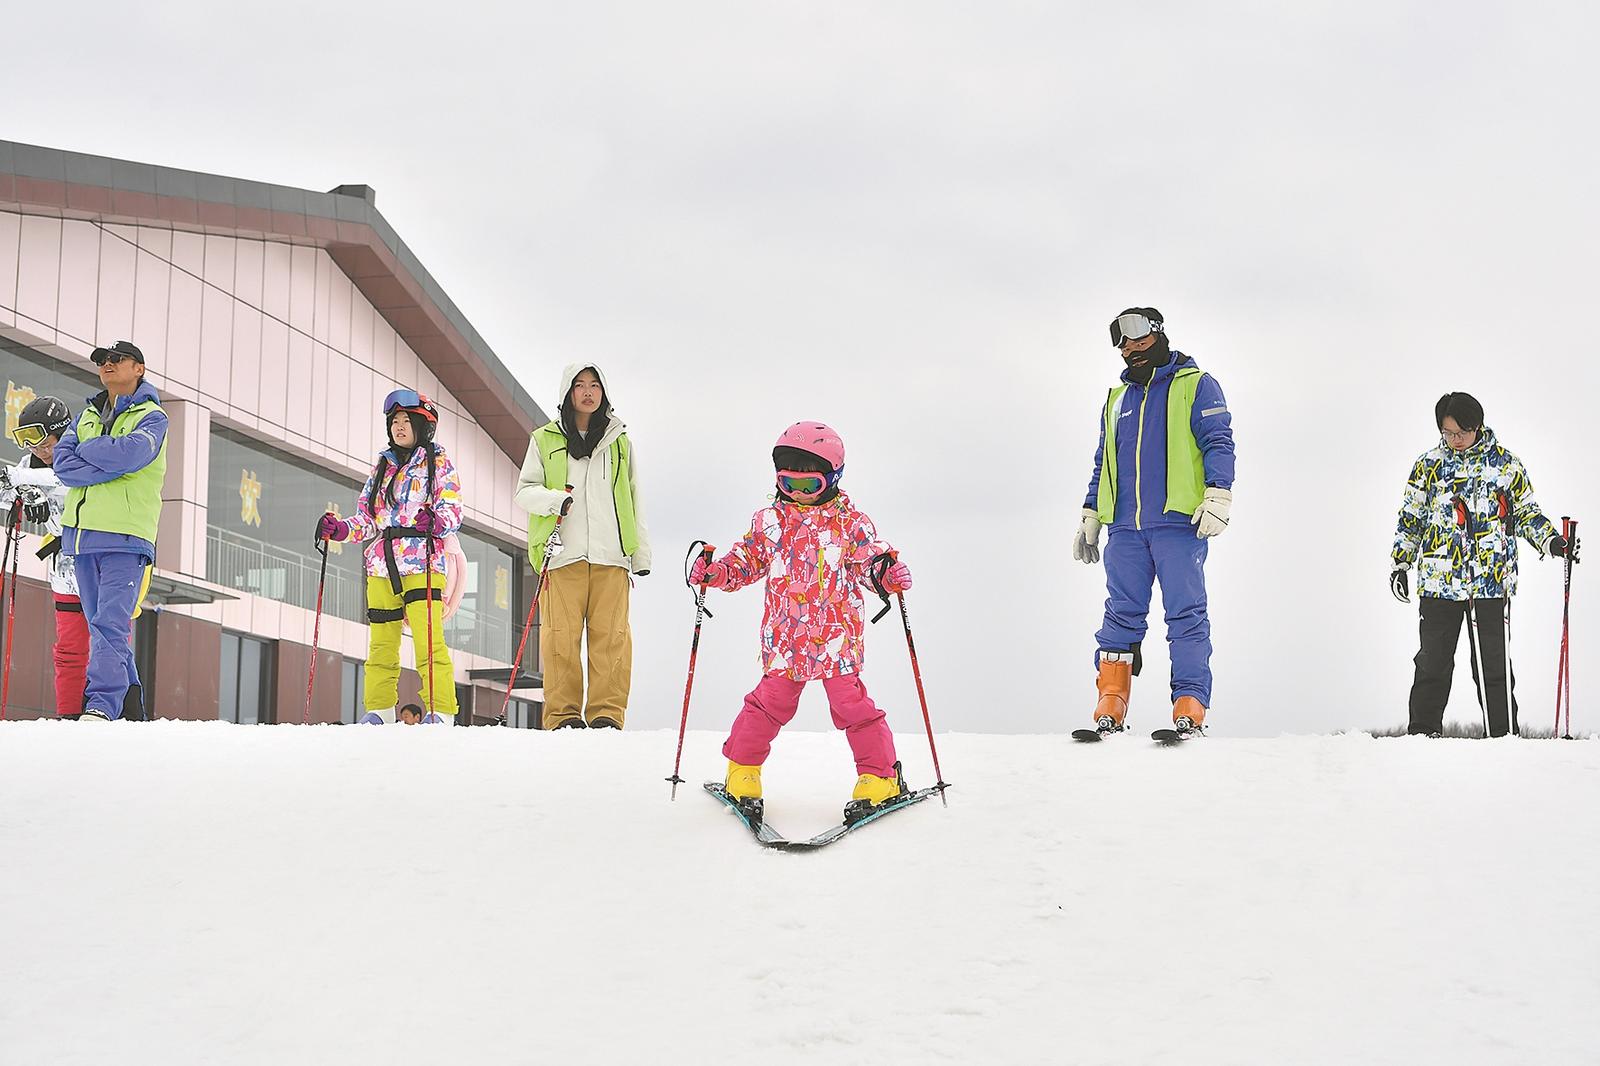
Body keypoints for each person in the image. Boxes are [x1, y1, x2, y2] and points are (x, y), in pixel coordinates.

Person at [691, 421, 914, 820]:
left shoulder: (851, 524)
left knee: (851, 705)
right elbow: (746, 561)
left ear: (833, 478)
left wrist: (886, 575)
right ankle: (742, 771)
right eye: (786, 482)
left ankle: (880, 777)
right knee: (768, 704)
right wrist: (716, 572)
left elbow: (870, 562)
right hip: (785, 639)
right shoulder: (770, 522)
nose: (797, 492)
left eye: (809, 484)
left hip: (836, 638)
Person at [1072, 308, 1236, 738]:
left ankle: (1189, 704)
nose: (1131, 348)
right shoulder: (1116, 400)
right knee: (1119, 617)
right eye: (1122, 343)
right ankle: (1111, 701)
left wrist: (1219, 492)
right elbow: (1103, 462)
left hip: (1178, 525)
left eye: (1138, 337)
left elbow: (1218, 442)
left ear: (1159, 334)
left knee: (1186, 615)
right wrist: (1091, 512)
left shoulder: (1196, 385)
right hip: (1125, 528)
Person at [1390, 391, 1578, 738]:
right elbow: (1411, 518)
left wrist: (1552, 542)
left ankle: (1503, 738)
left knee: (1493, 667)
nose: (1455, 440)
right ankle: (1422, 738)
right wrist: (1400, 564)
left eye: (1461, 432)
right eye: (1448, 433)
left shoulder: (1505, 465)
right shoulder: (1428, 466)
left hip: (1491, 581)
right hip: (1439, 582)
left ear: (1477, 425)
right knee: (1432, 663)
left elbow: (1526, 514)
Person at [514, 364, 652, 729]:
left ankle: (607, 713)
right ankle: (563, 715)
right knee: (560, 638)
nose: (588, 392)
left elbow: (633, 497)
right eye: (580, 385)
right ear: (568, 392)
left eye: (594, 385)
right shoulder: (544, 439)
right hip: (562, 554)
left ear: (603, 393)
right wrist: (554, 500)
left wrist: (640, 553)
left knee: (613, 639)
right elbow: (524, 491)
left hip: (612, 555)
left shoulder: (619, 442)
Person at [317, 390, 463, 726]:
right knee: (381, 643)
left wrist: (436, 520)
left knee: (428, 641)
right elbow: (368, 518)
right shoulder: (383, 465)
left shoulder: (437, 462)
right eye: (394, 421)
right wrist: (341, 529)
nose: (399, 427)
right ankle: (379, 709)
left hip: (423, 560)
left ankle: (441, 711)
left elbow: (453, 509)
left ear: (423, 426)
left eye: (406, 421)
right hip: (382, 565)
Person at [50, 341, 168, 722]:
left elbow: (131, 455)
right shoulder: (86, 414)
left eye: (117, 359)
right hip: (82, 538)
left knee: (109, 625)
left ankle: (101, 705)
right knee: (102, 627)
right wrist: (109, 459)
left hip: (125, 538)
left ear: (139, 368)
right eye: (102, 360)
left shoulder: (153, 418)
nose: (107, 364)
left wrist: (90, 451)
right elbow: (63, 465)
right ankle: (131, 713)